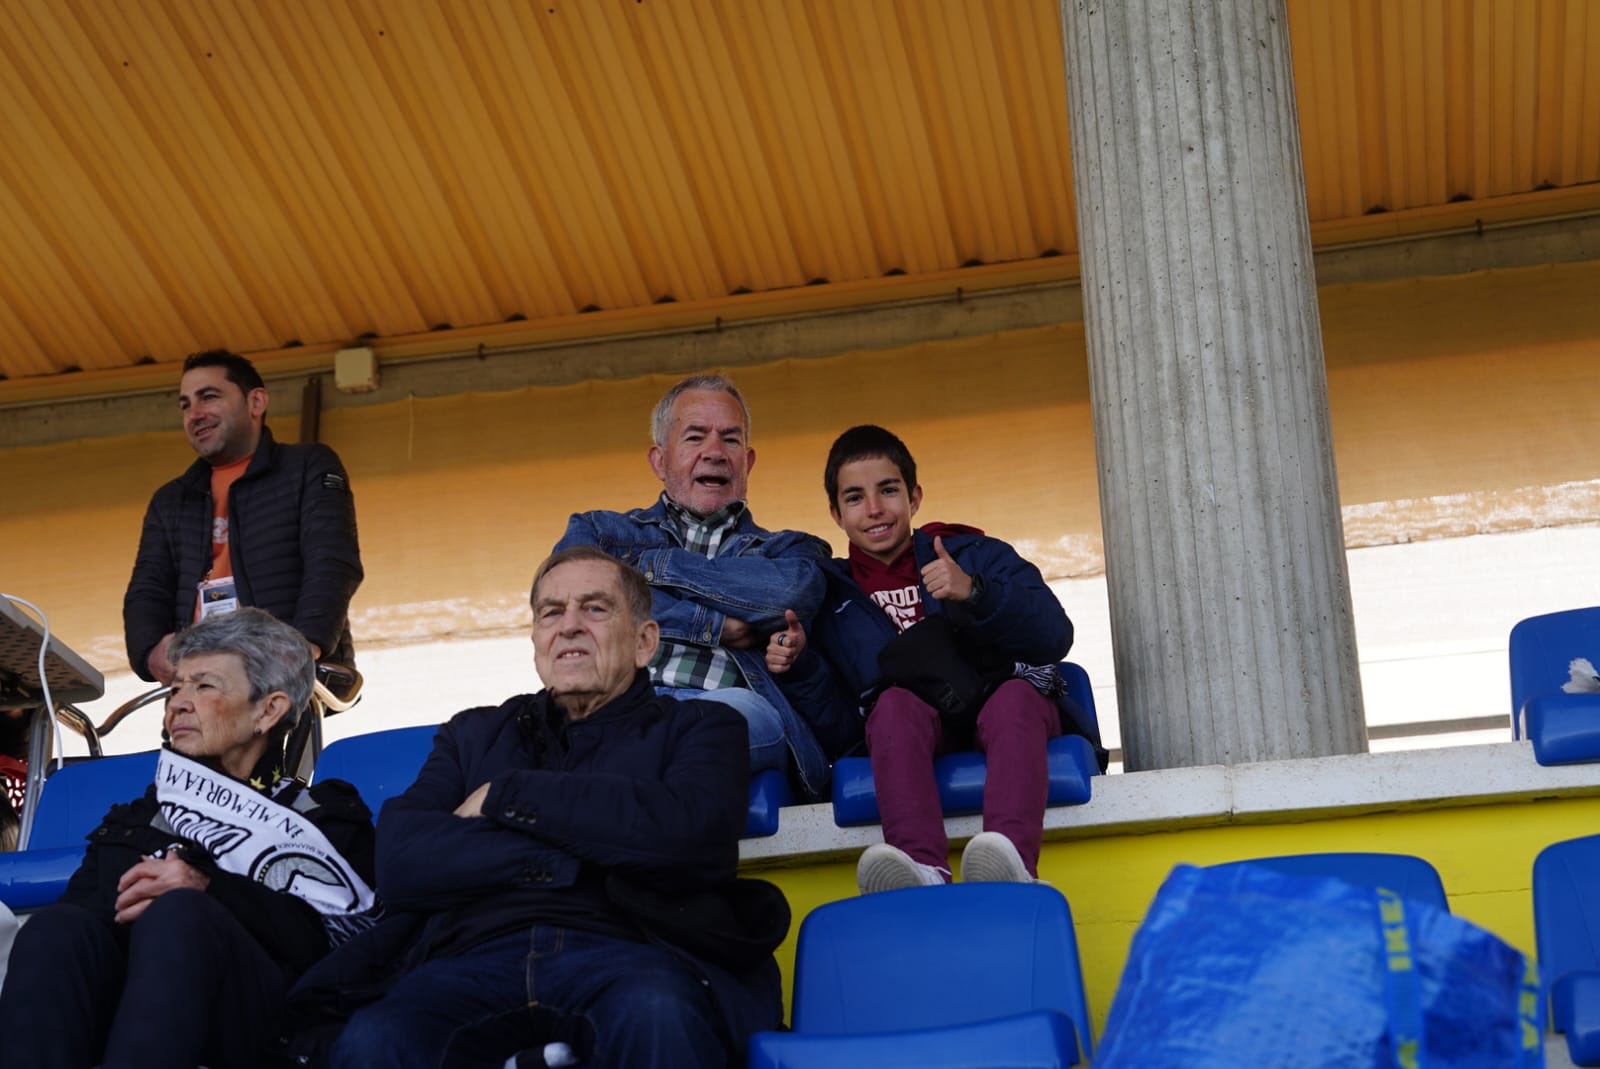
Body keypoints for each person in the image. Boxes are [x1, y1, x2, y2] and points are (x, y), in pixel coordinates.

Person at [299, 547, 786, 1068]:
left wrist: (508, 797)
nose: (569, 626)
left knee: (658, 1013)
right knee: (376, 1038)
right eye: (551, 612)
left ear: (645, 642)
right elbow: (402, 860)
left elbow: (693, 837)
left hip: (633, 950)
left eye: (595, 609)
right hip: (473, 957)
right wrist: (582, 853)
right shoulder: (474, 733)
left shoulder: (702, 727)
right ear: (535, 640)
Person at [0, 608, 378, 1069]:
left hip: (266, 1026)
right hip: (133, 1012)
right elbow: (86, 928)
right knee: (55, 929)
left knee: (181, 911)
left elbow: (341, 950)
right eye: (175, 688)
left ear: (268, 709)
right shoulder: (140, 818)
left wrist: (210, 887)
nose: (177, 703)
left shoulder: (324, 816)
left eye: (204, 686)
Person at [802, 425, 1101, 894]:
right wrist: (798, 663)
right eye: (855, 498)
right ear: (836, 514)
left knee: (1015, 700)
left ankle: (1011, 861)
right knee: (893, 707)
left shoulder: (972, 552)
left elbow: (1054, 634)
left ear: (915, 496)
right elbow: (838, 724)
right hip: (914, 727)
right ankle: (922, 869)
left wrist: (974, 592)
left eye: (889, 490)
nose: (875, 509)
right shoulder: (827, 596)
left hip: (1003, 705)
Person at [553, 373, 856, 800]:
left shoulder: (789, 552)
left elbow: (788, 595)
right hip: (615, 703)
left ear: (748, 462)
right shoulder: (599, 531)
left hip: (727, 711)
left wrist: (650, 569)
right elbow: (571, 595)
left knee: (733, 720)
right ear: (659, 460)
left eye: (730, 440)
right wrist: (714, 626)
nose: (714, 452)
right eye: (696, 437)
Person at [123, 349, 363, 686]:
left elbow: (333, 561)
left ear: (256, 402)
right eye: (185, 405)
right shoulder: (170, 500)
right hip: (199, 687)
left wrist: (303, 646)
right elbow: (147, 590)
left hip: (286, 680)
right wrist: (149, 651)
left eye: (208, 397)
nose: (195, 413)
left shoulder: (308, 465)